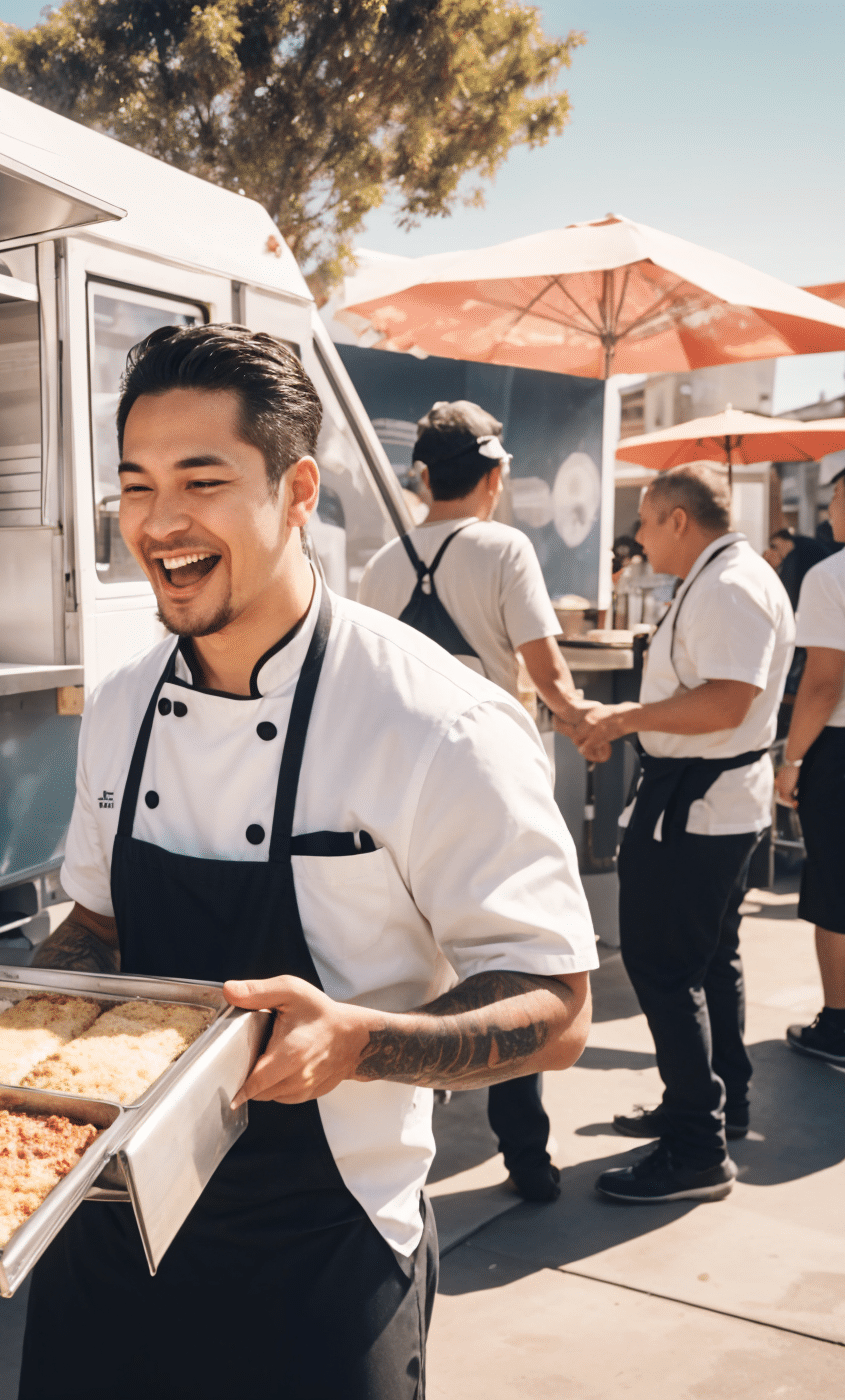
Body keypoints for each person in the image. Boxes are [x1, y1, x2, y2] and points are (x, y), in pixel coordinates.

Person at [20, 325, 595, 1398]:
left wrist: (361, 1040)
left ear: (294, 492)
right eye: (135, 486)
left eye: (202, 480)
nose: (159, 523)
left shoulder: (436, 723)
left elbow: (557, 1008)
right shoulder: (120, 705)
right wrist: (0, 1036)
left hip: (318, 1248)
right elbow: (95, 927)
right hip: (105, 1219)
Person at [358, 400, 596, 1204]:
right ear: (493, 476)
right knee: (513, 966)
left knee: (411, 962)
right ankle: (526, 1158)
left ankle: (397, 1144)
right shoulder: (504, 548)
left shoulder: (383, 563)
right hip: (493, 787)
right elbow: (549, 673)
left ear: (423, 476)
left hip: (396, 789)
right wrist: (584, 726)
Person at [573, 463, 794, 1202]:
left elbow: (728, 701)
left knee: (665, 970)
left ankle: (697, 1147)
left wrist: (624, 718)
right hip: (711, 807)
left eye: (642, 520)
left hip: (700, 814)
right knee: (707, 962)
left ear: (677, 519)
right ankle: (711, 1104)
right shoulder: (724, 576)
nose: (635, 536)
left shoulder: (730, 584)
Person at [774, 454, 845, 1064]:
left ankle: (835, 1026)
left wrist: (791, 760)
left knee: (837, 891)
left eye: (837, 498)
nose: (830, 510)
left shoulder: (836, 574)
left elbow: (821, 684)